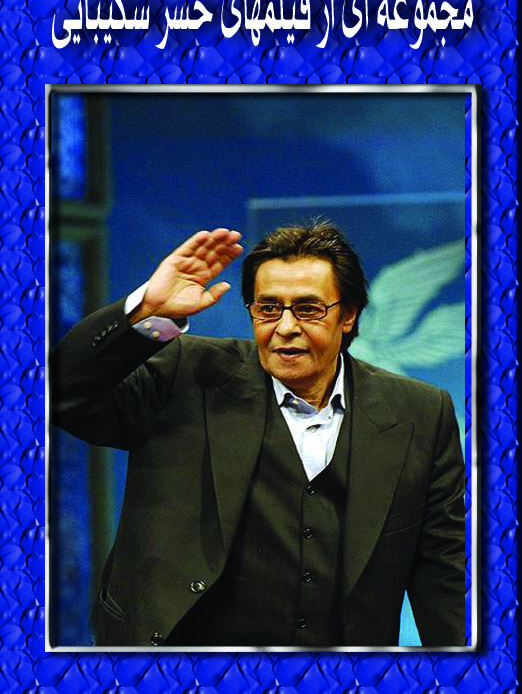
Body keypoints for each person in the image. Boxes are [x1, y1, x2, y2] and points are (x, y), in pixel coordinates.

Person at [52, 222, 465, 648]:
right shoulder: (186, 374)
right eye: (268, 308)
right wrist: (146, 311)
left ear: (348, 315)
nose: (285, 327)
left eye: (308, 309)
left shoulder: (419, 412)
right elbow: (61, 393)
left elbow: (443, 573)